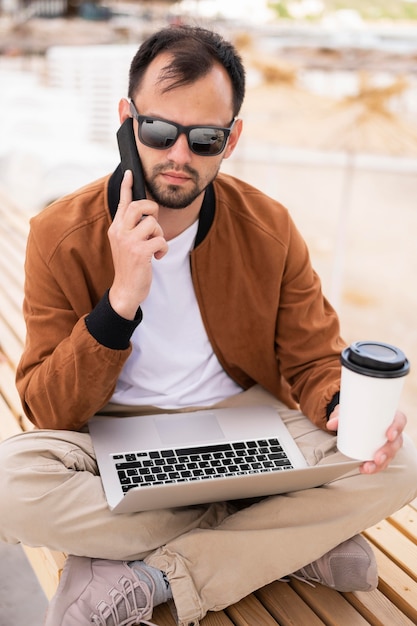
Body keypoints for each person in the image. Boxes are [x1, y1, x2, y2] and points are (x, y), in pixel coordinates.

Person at [0, 25, 416, 626]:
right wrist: (119, 302)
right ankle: (279, 535)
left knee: (396, 461)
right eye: (160, 131)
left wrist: (339, 403)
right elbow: (47, 409)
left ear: (233, 138)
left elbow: (315, 360)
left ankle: (153, 574)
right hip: (109, 439)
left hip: (243, 426)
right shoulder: (59, 234)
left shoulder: (268, 227)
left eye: (205, 139)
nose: (178, 156)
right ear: (127, 121)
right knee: (10, 487)